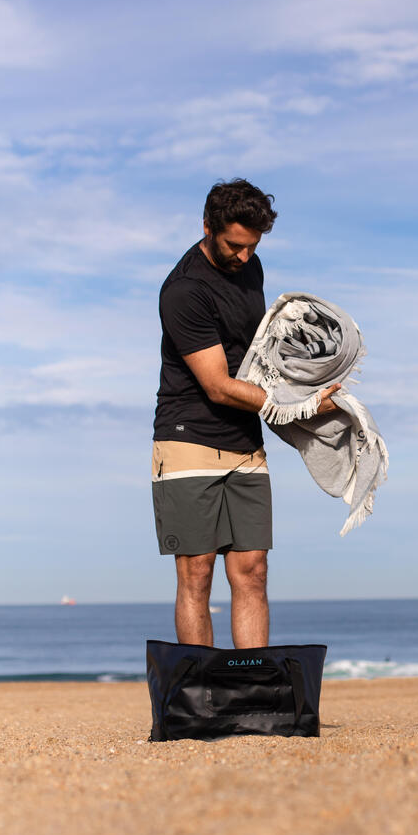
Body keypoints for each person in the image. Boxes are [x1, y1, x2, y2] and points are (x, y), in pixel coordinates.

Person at [152, 179, 340, 649]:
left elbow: (257, 357)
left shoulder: (250, 267)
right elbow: (217, 385)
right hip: (187, 439)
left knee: (252, 570)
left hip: (244, 440)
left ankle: (252, 690)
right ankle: (201, 694)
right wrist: (298, 406)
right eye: (234, 245)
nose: (243, 256)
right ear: (207, 227)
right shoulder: (184, 290)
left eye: (252, 247)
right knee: (197, 573)